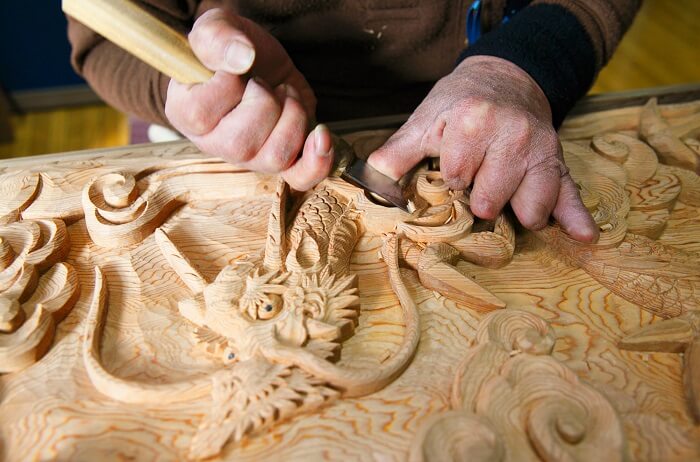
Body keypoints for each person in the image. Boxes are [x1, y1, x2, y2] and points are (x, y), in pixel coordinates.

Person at [67, 0, 641, 243]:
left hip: (495, 100)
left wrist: (522, 68)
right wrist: (181, 88)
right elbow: (98, 28)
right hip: (224, 116)